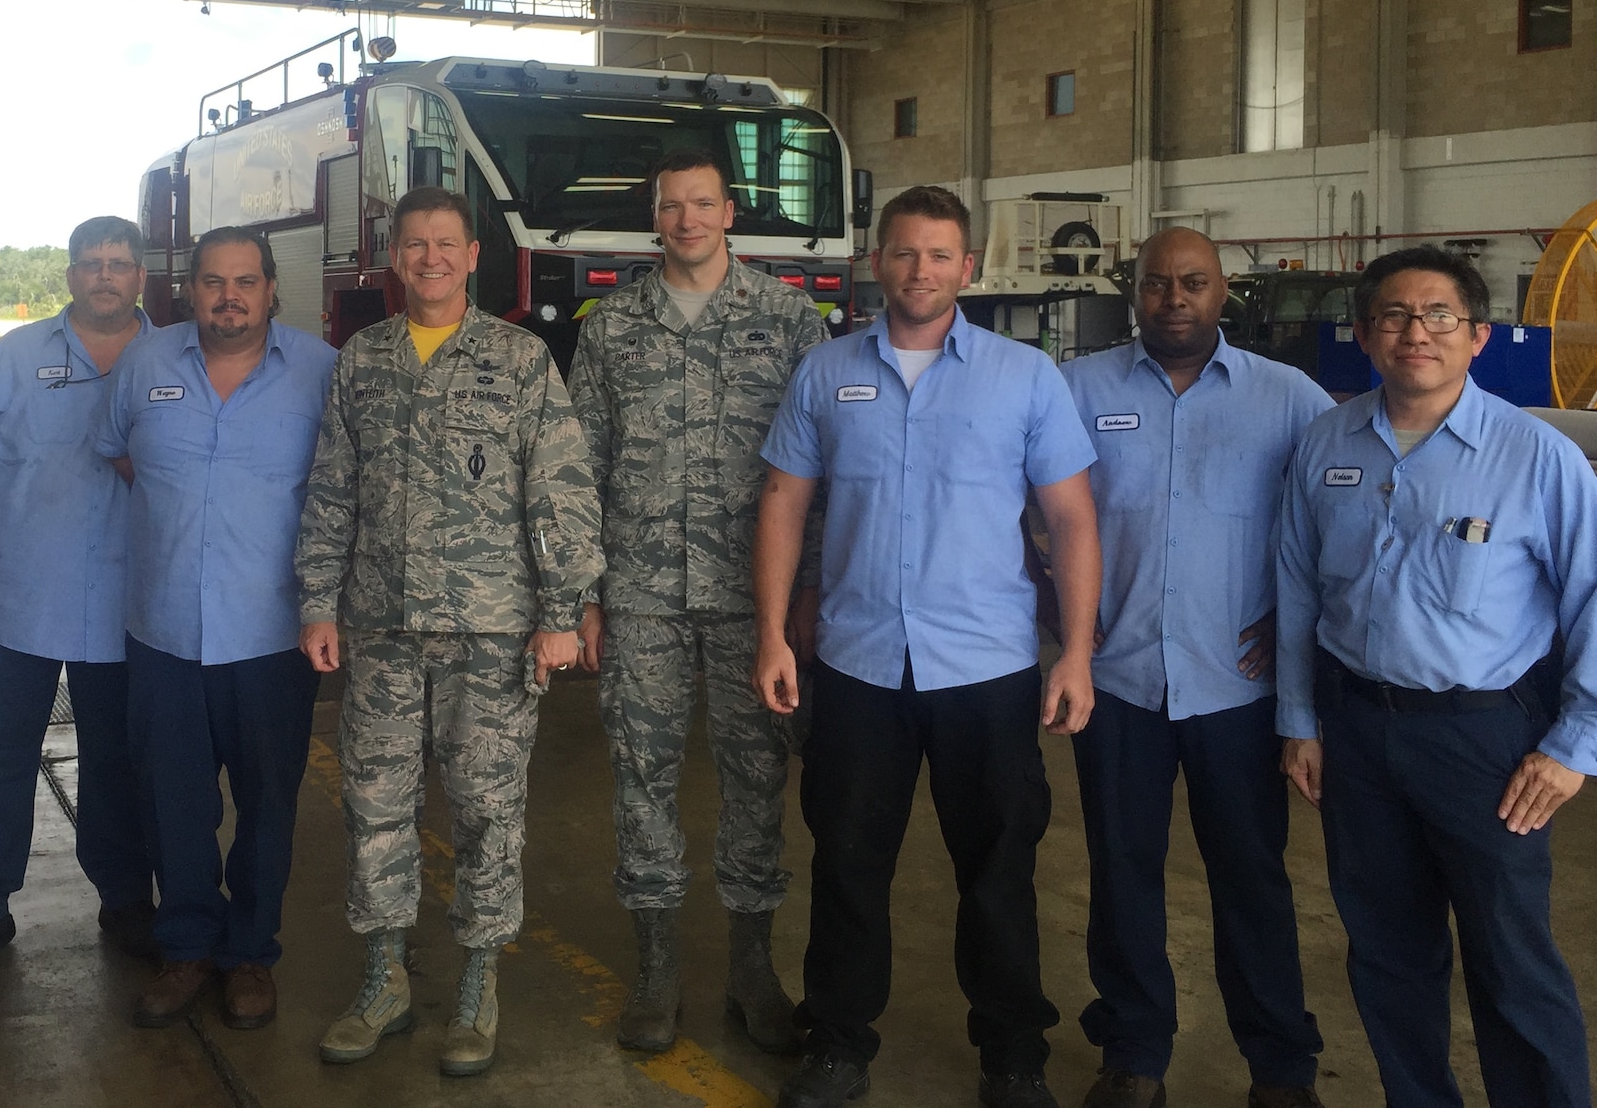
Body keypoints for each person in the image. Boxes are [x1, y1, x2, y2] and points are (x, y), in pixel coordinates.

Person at [754, 185, 1100, 1108]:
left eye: (941, 255)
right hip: (858, 663)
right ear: (878, 261)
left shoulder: (1024, 376)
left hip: (986, 668)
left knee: (998, 868)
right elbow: (785, 503)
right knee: (848, 863)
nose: (922, 270)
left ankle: (1013, 1054)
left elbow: (1070, 518)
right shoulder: (827, 374)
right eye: (905, 252)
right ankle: (838, 1043)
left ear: (969, 267)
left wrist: (1075, 652)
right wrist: (772, 634)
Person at [297, 185, 603, 1078]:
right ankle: (384, 978)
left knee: (486, 812)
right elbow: (331, 492)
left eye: (446, 243)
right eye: (415, 244)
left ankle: (477, 983)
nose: (430, 257)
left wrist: (559, 614)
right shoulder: (361, 360)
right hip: (383, 630)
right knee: (376, 809)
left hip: (493, 633)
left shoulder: (519, 359)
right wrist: (318, 600)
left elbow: (563, 492)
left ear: (475, 257)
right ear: (397, 256)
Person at [1278, 246, 1595, 1108]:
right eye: (1394, 315)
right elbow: (1298, 583)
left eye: (1439, 315)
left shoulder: (1538, 457)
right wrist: (1300, 719)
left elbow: (1595, 597)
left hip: (1485, 742)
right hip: (1357, 732)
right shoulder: (1326, 441)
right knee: (1387, 951)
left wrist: (1576, 744)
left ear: (1479, 336)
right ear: (1369, 333)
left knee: (1511, 956)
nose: (1416, 332)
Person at [1057, 228, 1332, 1108]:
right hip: (1118, 680)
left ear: (1225, 293)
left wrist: (1297, 621)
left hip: (1236, 688)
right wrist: (1058, 619)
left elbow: (1332, 527)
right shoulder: (1078, 387)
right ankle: (1135, 1052)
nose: (1174, 298)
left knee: (1251, 878)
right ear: (1132, 292)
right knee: (1122, 869)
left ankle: (1280, 1068)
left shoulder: (1289, 398)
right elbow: (1039, 514)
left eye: (1194, 283)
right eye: (1156, 284)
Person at [566, 147, 824, 1055]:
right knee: (643, 776)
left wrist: (802, 603)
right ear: (655, 218)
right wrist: (583, 597)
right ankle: (658, 967)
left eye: (702, 203)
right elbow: (579, 467)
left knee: (758, 774)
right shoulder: (612, 325)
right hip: (638, 596)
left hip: (754, 600)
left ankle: (753, 967)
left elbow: (818, 470)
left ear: (729, 213)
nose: (686, 220)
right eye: (671, 206)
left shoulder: (789, 318)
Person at [94, 224, 337, 1031]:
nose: (228, 295)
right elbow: (119, 454)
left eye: (245, 280)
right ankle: (187, 948)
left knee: (269, 803)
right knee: (174, 803)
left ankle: (249, 955)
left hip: (272, 637)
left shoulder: (321, 373)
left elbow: (345, 491)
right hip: (164, 633)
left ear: (272, 289)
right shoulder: (145, 363)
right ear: (188, 290)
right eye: (211, 281)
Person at [0, 216, 157, 978]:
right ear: (70, 275)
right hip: (16, 599)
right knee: (1, 758)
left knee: (117, 764)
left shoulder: (171, 358)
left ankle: (125, 900)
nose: (104, 276)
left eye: (119, 263)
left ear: (141, 277)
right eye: (91, 263)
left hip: (130, 608)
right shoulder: (16, 357)